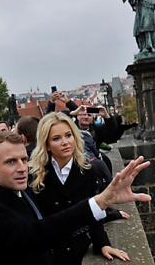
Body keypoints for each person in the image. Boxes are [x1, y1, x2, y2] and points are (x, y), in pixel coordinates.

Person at [29, 113, 129, 263]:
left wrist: (103, 243)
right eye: (56, 138)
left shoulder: (87, 169)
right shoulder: (36, 175)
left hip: (78, 248)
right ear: (47, 144)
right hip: (48, 252)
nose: (65, 142)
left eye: (68, 135)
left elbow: (93, 211)